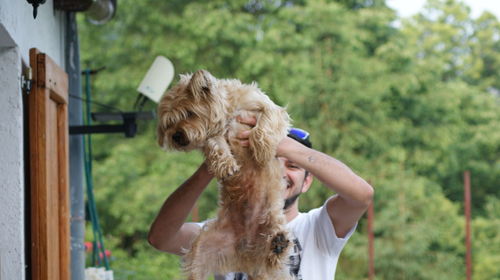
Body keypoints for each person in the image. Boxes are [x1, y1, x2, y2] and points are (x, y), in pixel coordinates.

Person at [148, 116, 374, 280]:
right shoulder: (221, 232)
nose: (280, 172)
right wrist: (211, 165)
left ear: (306, 182)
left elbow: (362, 195)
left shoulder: (318, 228)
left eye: (293, 166)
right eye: (269, 163)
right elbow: (161, 238)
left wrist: (282, 146)